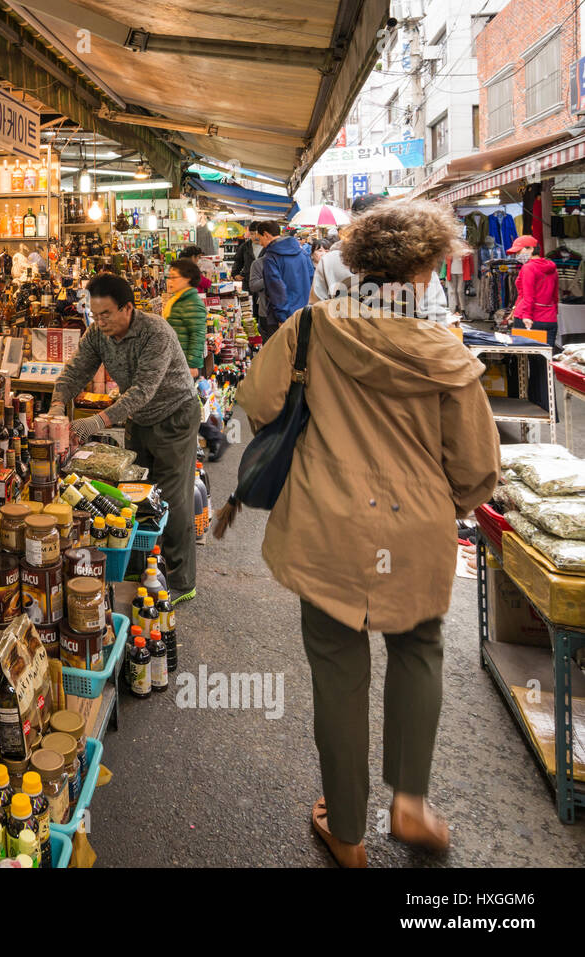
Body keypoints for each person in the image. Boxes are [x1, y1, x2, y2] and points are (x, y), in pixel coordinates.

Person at [229, 200, 500, 867]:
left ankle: (347, 832)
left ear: (356, 264)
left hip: (328, 526)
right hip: (417, 531)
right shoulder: (447, 352)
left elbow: (257, 403)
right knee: (418, 649)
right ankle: (409, 804)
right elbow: (477, 468)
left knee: (337, 668)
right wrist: (443, 502)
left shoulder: (313, 329)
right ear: (430, 266)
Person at [51, 273, 199, 604]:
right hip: (140, 421)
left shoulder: (155, 333)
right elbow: (75, 372)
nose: (99, 321)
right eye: (94, 313)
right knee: (134, 496)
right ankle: (142, 570)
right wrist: (58, 408)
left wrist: (96, 422)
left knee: (172, 500)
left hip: (175, 415)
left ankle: (180, 581)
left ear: (127, 309)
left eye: (106, 314)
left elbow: (143, 390)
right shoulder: (97, 334)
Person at [311, 193, 451, 324]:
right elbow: (436, 316)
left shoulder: (329, 261)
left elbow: (316, 310)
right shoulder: (416, 262)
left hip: (342, 340)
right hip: (409, 341)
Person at [257, 220, 314, 340]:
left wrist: (282, 317)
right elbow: (311, 279)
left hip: (281, 318)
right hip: (303, 314)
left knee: (281, 356)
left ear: (266, 235)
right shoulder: (303, 253)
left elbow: (276, 288)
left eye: (259, 238)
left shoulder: (271, 257)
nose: (260, 243)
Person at [509, 235, 559, 348]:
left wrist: (527, 315)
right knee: (546, 359)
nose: (517, 255)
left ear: (531, 249)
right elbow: (555, 296)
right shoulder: (552, 268)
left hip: (528, 318)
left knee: (525, 359)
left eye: (519, 251)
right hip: (549, 319)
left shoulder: (528, 267)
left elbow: (528, 295)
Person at [164, 258, 208, 375]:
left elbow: (198, 336)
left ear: (187, 278)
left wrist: (192, 365)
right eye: (169, 277)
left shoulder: (192, 302)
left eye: (174, 277)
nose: (170, 281)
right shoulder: (177, 299)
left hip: (183, 364)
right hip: (174, 360)